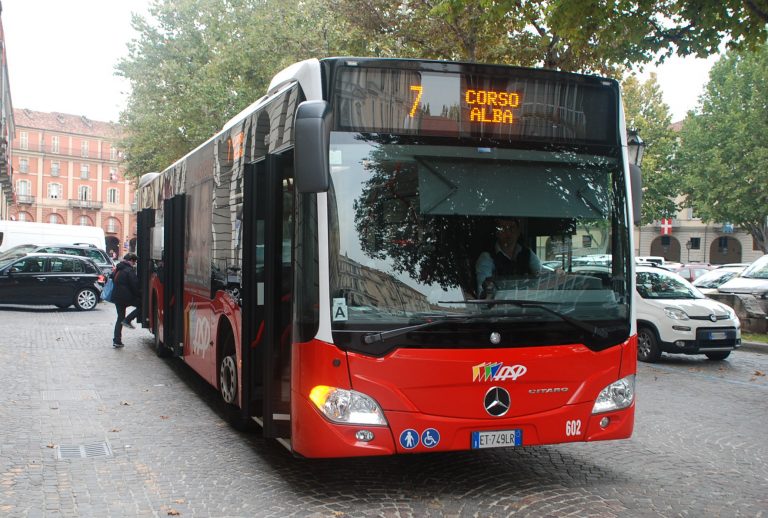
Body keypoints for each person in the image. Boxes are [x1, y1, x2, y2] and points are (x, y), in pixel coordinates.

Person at [475, 217, 541, 297]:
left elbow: (541, 277)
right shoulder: (487, 257)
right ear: (497, 232)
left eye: (511, 228)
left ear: (518, 231)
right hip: (498, 307)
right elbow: (483, 291)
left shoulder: (528, 253)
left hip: (528, 305)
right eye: (502, 228)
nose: (508, 232)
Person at [111, 252, 140, 348]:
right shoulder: (129, 270)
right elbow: (134, 285)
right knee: (142, 306)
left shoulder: (118, 268)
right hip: (126, 297)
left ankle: (117, 341)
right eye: (134, 262)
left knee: (120, 318)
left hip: (117, 297)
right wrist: (139, 295)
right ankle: (128, 320)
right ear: (131, 260)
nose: (134, 264)